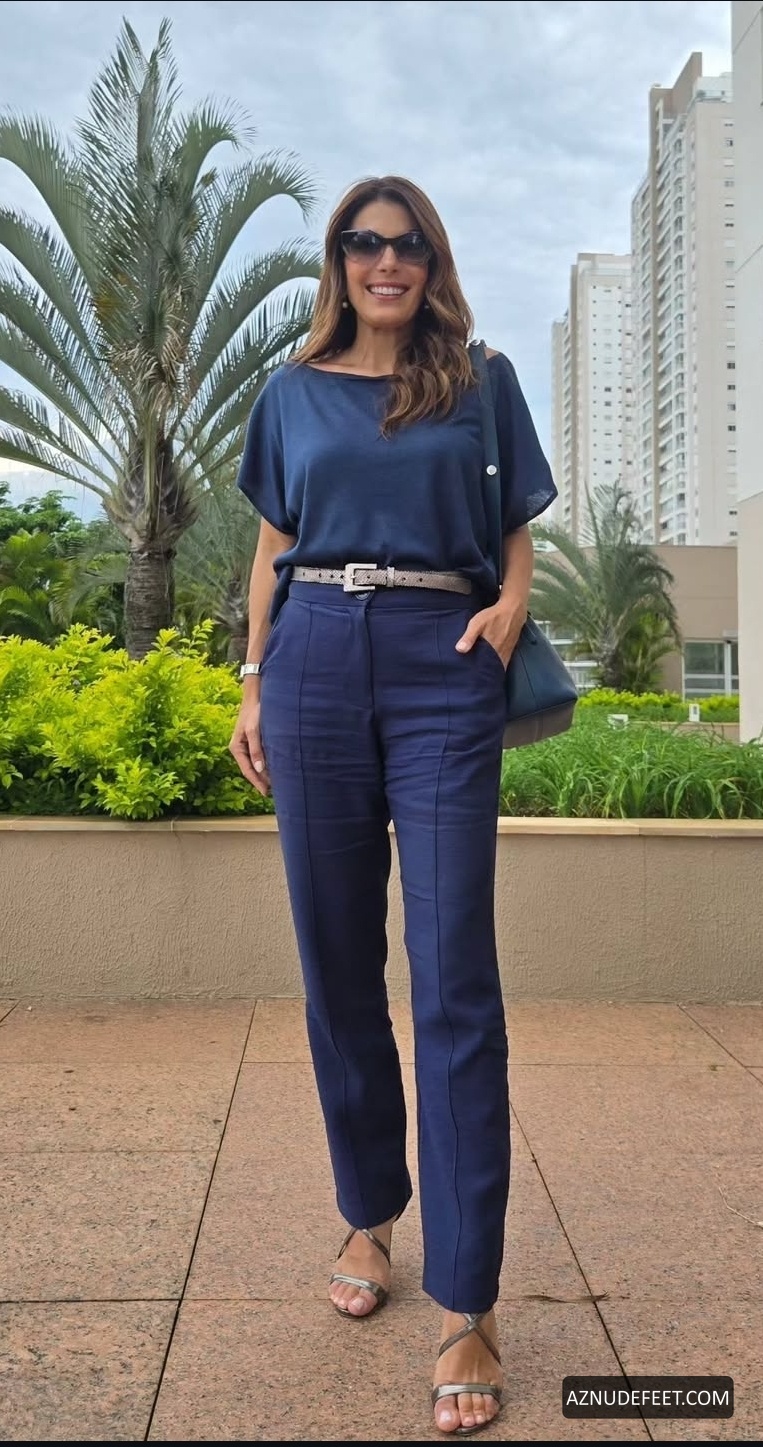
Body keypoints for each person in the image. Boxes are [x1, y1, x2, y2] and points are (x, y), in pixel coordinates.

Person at [230, 174, 557, 1437]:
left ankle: (468, 1299)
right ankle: (368, 1215)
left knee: (453, 973)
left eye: (407, 243)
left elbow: (514, 520)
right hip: (312, 655)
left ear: (432, 260)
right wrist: (253, 679)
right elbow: (273, 543)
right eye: (364, 243)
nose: (386, 260)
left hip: (443, 659)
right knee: (333, 963)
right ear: (338, 261)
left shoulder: (480, 380)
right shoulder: (291, 392)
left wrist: (511, 602)